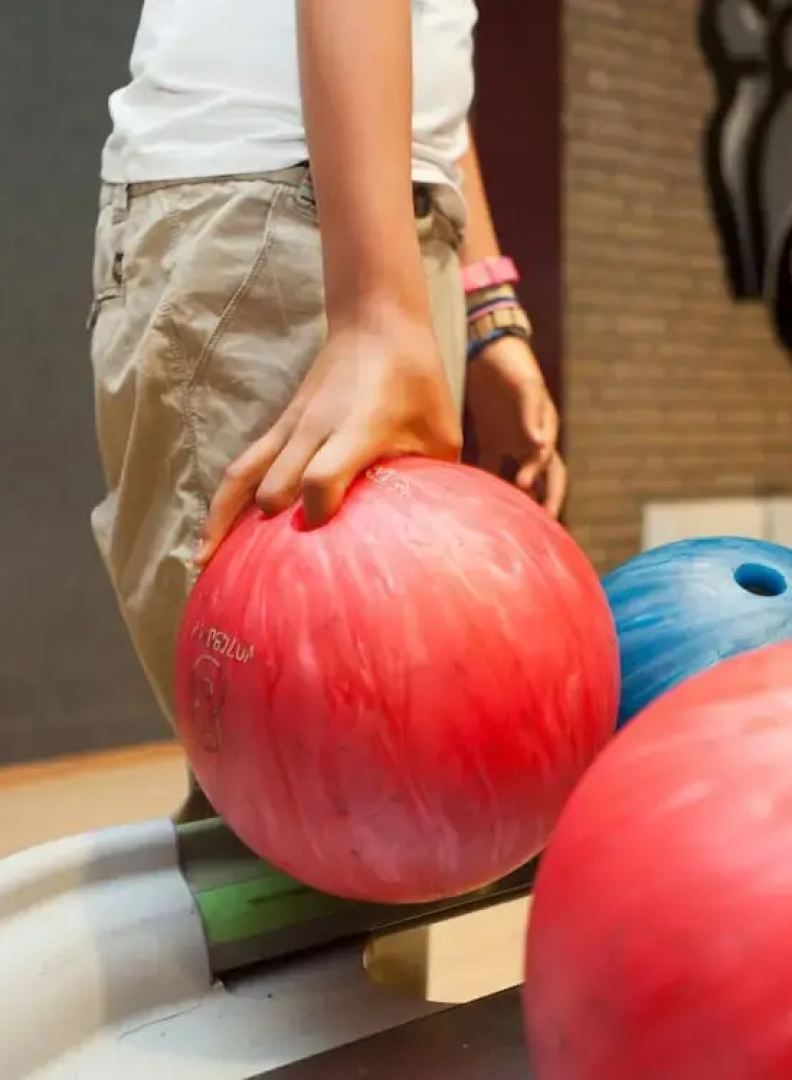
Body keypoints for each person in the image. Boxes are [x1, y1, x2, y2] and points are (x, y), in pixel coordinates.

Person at [87, 2, 565, 820]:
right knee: (296, 808)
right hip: (279, 207)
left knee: (384, 785)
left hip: (390, 221)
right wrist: (377, 304)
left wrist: (486, 305)